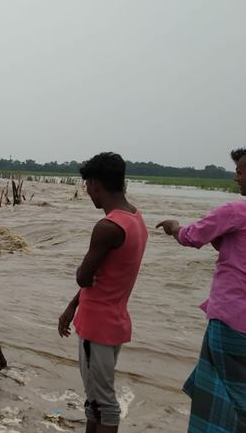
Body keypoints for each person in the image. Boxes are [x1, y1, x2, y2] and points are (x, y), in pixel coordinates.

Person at [156, 146, 246, 433]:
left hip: (233, 323)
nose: (236, 178)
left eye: (240, 172)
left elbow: (192, 235)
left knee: (224, 400)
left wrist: (175, 227)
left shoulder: (238, 210)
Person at [58, 152, 148, 433]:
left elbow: (84, 276)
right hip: (114, 320)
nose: (87, 193)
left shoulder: (107, 227)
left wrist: (76, 298)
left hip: (96, 325)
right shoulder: (135, 218)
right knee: (96, 400)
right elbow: (103, 277)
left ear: (96, 184)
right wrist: (72, 305)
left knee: (103, 403)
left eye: (87, 186)